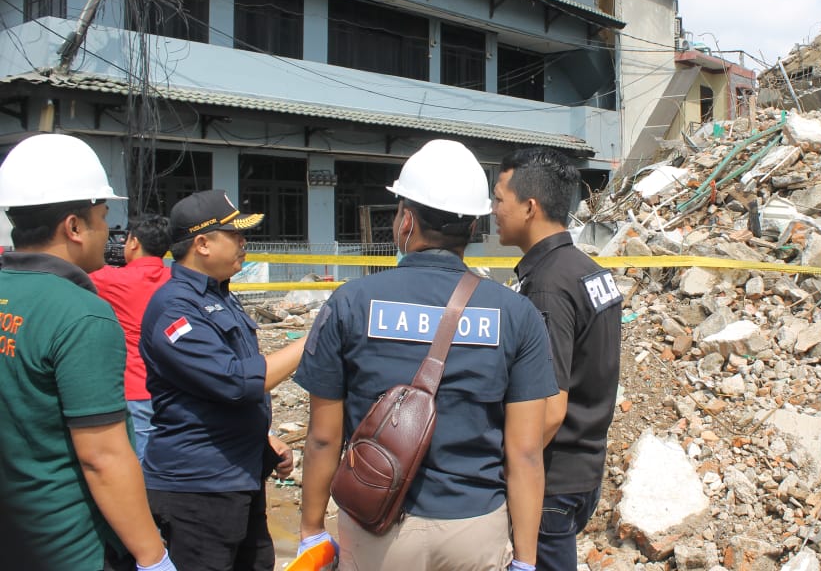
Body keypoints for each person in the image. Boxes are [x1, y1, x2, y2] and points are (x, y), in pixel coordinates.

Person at [296, 139, 557, 571]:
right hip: (473, 528)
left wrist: (311, 530)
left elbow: (323, 436)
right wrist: (526, 560)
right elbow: (525, 453)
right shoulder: (515, 314)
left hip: (376, 529)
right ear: (474, 228)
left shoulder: (350, 303)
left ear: (405, 221)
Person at [0, 133, 175, 571]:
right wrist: (153, 557)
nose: (108, 232)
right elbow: (103, 457)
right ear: (74, 227)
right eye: (102, 218)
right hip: (67, 545)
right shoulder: (81, 314)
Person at [140, 189, 305, 570]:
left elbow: (210, 393)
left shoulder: (220, 297)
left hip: (236, 477)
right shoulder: (175, 309)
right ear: (202, 243)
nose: (243, 243)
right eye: (234, 235)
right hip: (197, 489)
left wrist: (263, 437)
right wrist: (312, 340)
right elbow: (234, 381)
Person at [492, 147, 623, 571]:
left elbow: (549, 408)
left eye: (499, 199)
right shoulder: (586, 269)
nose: (493, 210)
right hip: (583, 469)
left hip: (552, 482)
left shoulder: (548, 285)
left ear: (529, 207)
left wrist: (505, 466)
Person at [90, 213, 173, 460]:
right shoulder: (176, 279)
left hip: (136, 387)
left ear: (134, 243)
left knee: (140, 464)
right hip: (174, 387)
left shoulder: (110, 280)